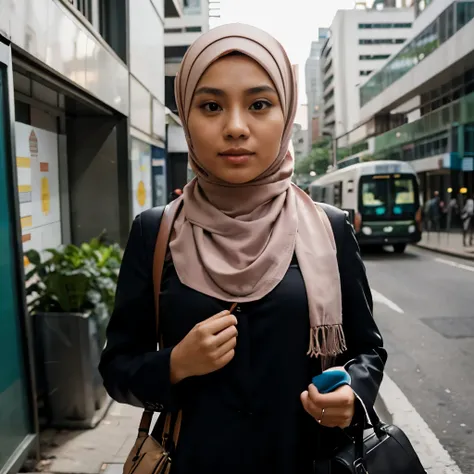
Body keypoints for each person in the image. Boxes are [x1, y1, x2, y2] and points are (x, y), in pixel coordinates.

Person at [99, 24, 386, 474]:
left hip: (308, 462)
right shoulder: (154, 233)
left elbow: (367, 349)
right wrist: (173, 364)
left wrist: (354, 395)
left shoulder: (329, 228)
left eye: (259, 104)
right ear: (186, 118)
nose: (235, 127)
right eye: (211, 105)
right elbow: (117, 368)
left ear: (286, 113)